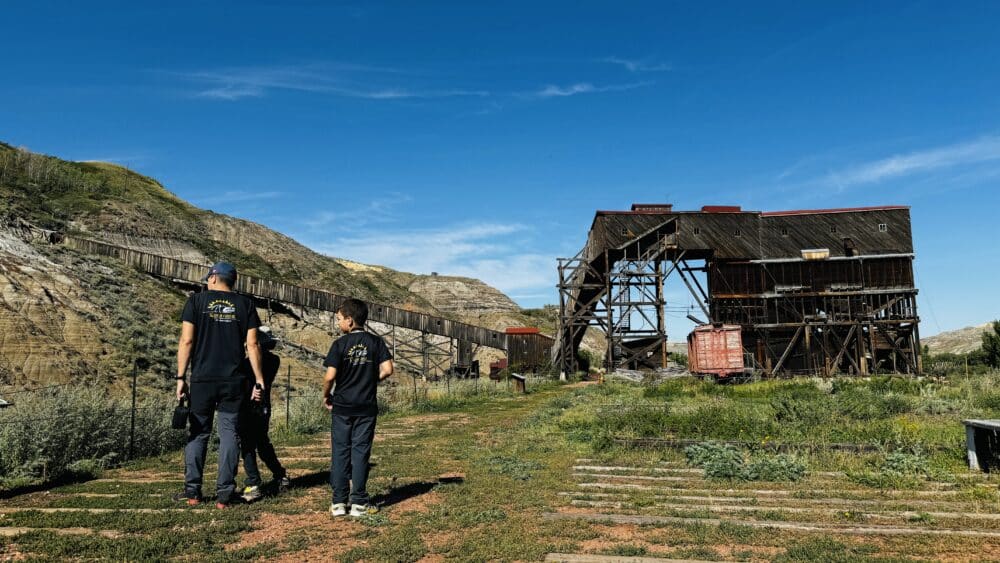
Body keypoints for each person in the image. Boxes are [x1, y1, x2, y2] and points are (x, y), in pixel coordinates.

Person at [174, 262, 265, 509]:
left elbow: (187, 340)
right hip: (233, 381)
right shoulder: (246, 304)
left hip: (202, 379)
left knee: (198, 433)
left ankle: (193, 492)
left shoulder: (196, 302)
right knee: (228, 435)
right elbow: (253, 345)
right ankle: (225, 494)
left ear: (213, 278)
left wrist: (181, 377)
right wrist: (259, 379)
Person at [322, 298, 393, 517]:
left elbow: (330, 376)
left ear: (350, 321)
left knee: (340, 452)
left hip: (342, 406)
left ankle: (338, 503)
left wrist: (326, 394)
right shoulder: (375, 342)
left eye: (339, 319)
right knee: (360, 452)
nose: (338, 323)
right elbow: (389, 369)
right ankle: (359, 502)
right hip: (366, 407)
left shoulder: (339, 344)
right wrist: (372, 380)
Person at [239, 326, 290, 500]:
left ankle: (253, 481)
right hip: (264, 407)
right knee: (262, 442)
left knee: (247, 444)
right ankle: (279, 474)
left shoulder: (247, 364)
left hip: (248, 406)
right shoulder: (274, 360)